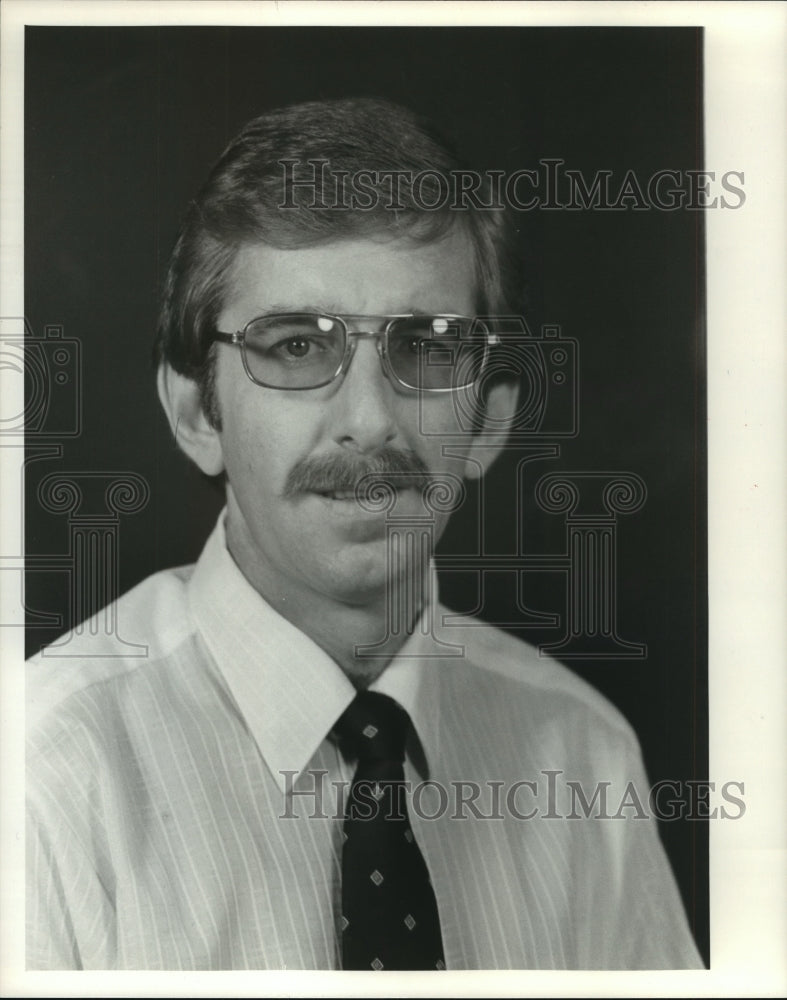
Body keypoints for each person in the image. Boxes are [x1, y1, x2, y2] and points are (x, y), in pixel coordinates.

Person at [26, 97, 703, 971]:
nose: (370, 420)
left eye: (427, 348)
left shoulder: (581, 756)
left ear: (489, 421)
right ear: (197, 411)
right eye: (297, 347)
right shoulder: (44, 776)